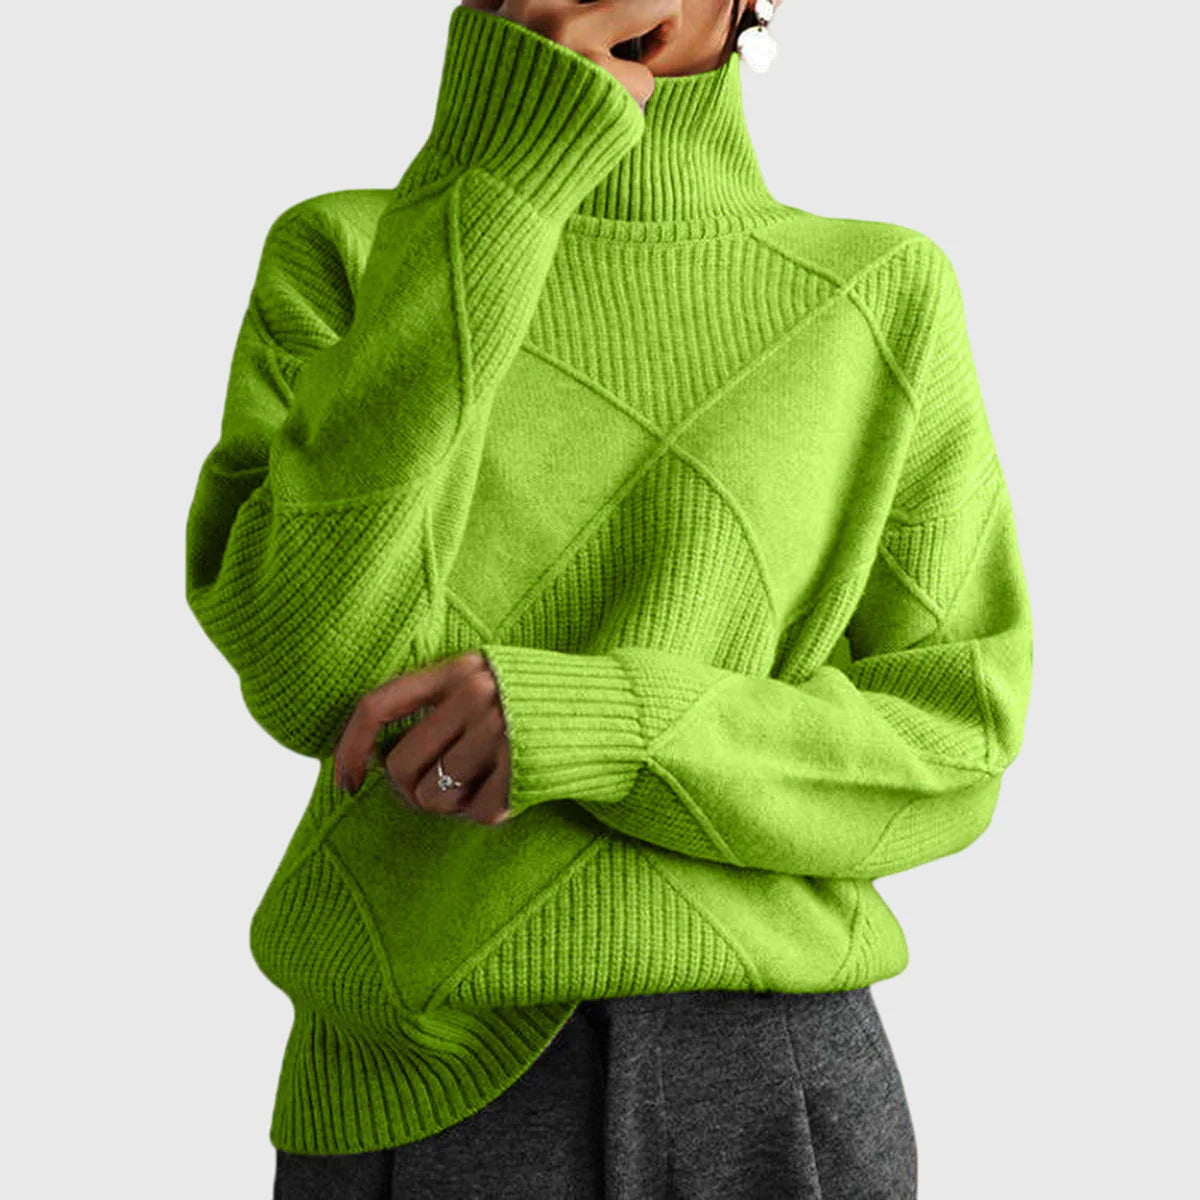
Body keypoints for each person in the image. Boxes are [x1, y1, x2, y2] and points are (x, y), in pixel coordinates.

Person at [184, 0, 1034, 1196]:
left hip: (767, 1074)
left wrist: (609, 723)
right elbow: (309, 669)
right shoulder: (351, 253)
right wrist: (500, 171)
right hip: (415, 1081)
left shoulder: (882, 293)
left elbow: (955, 741)